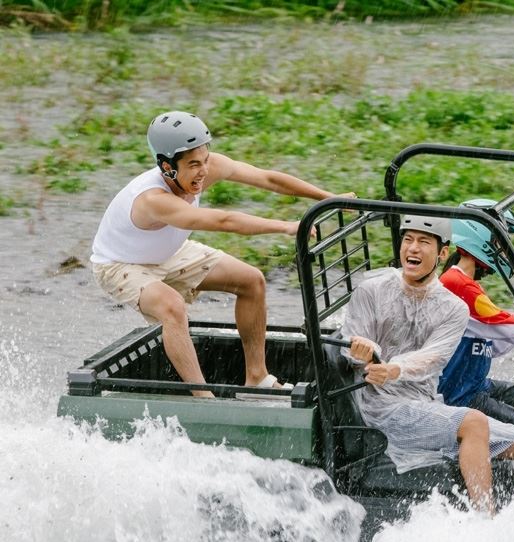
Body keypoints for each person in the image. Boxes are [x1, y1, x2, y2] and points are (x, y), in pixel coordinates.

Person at [90, 110, 354, 397]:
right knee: (172, 307)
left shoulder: (204, 168)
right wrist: (287, 227)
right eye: (192, 164)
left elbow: (268, 179)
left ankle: (257, 377)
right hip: (120, 265)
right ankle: (204, 397)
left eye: (205, 159)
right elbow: (224, 222)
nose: (203, 171)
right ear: (167, 167)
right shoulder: (153, 200)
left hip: (167, 251)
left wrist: (329, 198)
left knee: (252, 281)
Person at [340, 214, 514, 514]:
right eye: (408, 240)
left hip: (423, 403)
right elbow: (351, 345)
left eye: (423, 242)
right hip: (381, 408)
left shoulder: (453, 308)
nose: (413, 249)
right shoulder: (373, 290)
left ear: (442, 253)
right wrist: (362, 350)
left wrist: (395, 368)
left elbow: (434, 358)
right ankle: (487, 525)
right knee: (474, 422)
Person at [437, 206, 514, 436]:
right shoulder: (456, 284)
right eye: (500, 246)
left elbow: (492, 344)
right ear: (480, 239)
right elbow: (502, 327)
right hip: (458, 399)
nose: (504, 253)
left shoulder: (466, 284)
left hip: (477, 388)